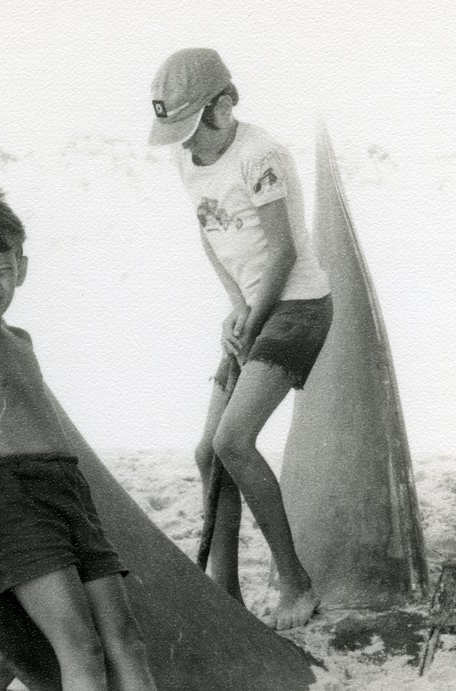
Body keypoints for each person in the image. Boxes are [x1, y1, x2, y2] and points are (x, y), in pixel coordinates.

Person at [0, 184, 170, 691]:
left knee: (126, 640)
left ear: (22, 267)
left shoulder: (22, 340)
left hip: (67, 493)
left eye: (1, 269)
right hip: (12, 504)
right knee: (79, 649)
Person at [148, 48, 332, 630]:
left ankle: (296, 585)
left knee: (234, 440)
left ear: (226, 105)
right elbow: (210, 235)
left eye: (199, 122)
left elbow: (283, 251)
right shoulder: (187, 160)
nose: (191, 139)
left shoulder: (261, 155)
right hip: (254, 307)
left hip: (298, 306)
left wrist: (252, 319)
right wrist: (236, 306)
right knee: (208, 451)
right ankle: (224, 594)